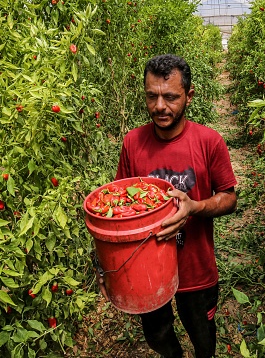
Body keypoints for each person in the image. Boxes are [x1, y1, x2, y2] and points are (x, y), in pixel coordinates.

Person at [99, 54, 237, 358]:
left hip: (196, 268)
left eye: (170, 97)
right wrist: (108, 269)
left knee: (203, 336)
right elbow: (119, 203)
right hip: (146, 271)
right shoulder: (133, 143)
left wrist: (194, 207)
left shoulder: (208, 142)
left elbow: (229, 197)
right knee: (157, 334)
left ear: (189, 96)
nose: (160, 106)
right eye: (152, 96)